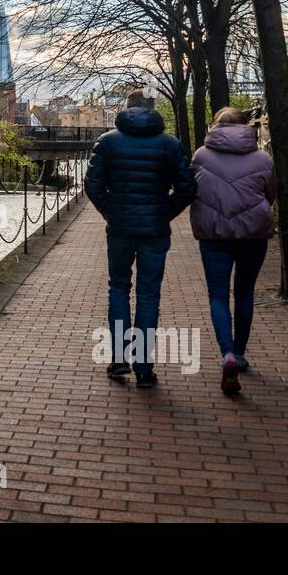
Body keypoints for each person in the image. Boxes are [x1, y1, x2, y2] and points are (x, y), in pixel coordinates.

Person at [85, 90, 196, 388]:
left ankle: (120, 359)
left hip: (120, 229)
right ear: (153, 109)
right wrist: (164, 212)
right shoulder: (170, 144)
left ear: (127, 108)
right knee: (149, 294)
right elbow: (187, 188)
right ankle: (144, 368)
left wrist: (111, 211)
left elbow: (92, 185)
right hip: (154, 231)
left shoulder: (108, 142)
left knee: (119, 288)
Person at [189, 108, 278, 396]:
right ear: (246, 126)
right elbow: (271, 193)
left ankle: (226, 352)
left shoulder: (201, 155)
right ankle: (239, 354)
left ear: (215, 126)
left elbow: (193, 190)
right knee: (245, 292)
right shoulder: (263, 158)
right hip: (253, 234)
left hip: (214, 235)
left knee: (218, 294)